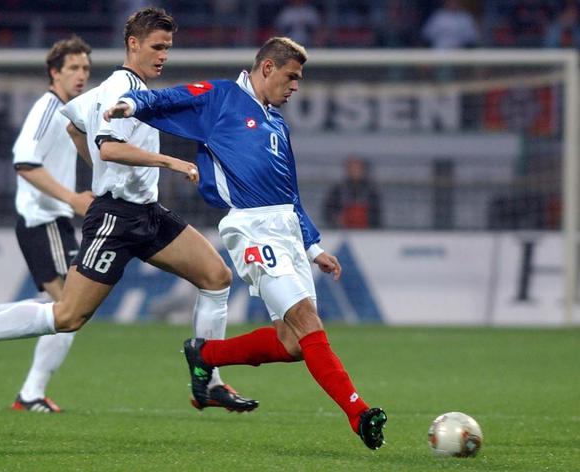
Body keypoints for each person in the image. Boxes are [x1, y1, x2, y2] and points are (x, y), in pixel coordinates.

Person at [0, 7, 257, 414]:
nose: (163, 55)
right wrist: (169, 163)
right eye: (157, 46)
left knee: (216, 276)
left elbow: (75, 126)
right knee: (67, 316)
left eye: (168, 48)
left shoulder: (124, 89)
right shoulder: (120, 88)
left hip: (146, 212)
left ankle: (209, 382)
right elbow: (108, 146)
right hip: (116, 219)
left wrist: (104, 172)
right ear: (133, 44)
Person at [102, 37, 387, 449]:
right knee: (309, 322)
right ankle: (359, 414)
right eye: (291, 77)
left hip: (286, 230)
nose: (295, 87)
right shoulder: (221, 99)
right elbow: (170, 99)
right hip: (251, 229)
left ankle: (205, 355)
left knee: (292, 344)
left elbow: (291, 194)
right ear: (267, 68)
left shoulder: (277, 124)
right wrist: (129, 105)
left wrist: (313, 248)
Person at [0, 35, 94, 413]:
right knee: (70, 311)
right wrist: (72, 198)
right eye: (73, 68)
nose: (81, 75)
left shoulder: (69, 111)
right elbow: (24, 162)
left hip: (55, 222)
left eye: (85, 68)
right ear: (55, 72)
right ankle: (30, 392)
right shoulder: (48, 109)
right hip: (43, 221)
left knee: (66, 310)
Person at [323, 157, 381, 229]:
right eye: (352, 168)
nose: (354, 171)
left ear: (363, 170)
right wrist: (336, 220)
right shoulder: (337, 190)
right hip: (342, 230)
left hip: (366, 232)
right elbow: (328, 211)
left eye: (357, 169)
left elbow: (377, 214)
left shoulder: (371, 191)